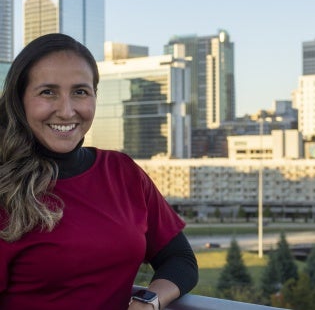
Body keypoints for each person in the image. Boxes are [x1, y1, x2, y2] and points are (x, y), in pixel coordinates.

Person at [0, 33, 198, 310]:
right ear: (20, 101)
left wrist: (148, 301)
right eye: (48, 92)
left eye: (80, 92)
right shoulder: (4, 187)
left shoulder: (123, 172)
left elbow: (180, 260)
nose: (67, 111)